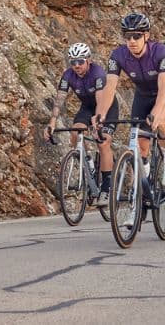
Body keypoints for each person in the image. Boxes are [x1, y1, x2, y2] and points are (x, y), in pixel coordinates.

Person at [94, 12, 165, 186]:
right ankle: (144, 168)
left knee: (160, 119)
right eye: (127, 36)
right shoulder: (118, 55)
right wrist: (101, 114)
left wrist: (155, 113)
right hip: (142, 95)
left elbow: (163, 90)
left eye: (137, 36)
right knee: (140, 139)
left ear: (146, 36)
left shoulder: (161, 52)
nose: (132, 40)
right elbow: (109, 87)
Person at [42, 43, 118, 206]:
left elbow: (100, 100)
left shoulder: (97, 73)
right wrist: (52, 122)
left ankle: (106, 189)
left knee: (103, 142)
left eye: (80, 62)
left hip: (106, 107)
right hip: (86, 107)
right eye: (73, 62)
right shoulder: (68, 75)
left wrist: (97, 121)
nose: (77, 66)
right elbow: (60, 99)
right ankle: (88, 163)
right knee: (76, 133)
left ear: (88, 60)